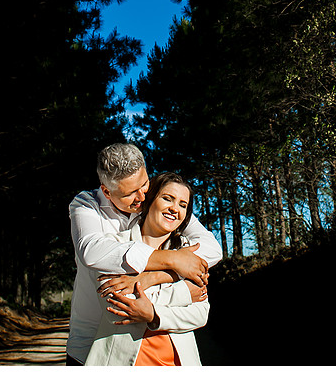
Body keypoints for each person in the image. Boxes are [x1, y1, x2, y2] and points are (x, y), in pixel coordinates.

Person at [66, 143, 221, 365]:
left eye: (145, 184)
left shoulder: (160, 202)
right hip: (93, 343)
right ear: (107, 192)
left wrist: (154, 277)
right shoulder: (87, 206)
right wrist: (177, 269)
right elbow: (91, 252)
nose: (142, 197)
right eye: (130, 193)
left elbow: (212, 249)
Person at [85, 172, 209, 365]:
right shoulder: (114, 245)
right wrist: (184, 293)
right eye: (168, 198)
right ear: (149, 200)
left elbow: (200, 313)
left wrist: (152, 314)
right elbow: (115, 308)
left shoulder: (188, 254)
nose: (174, 209)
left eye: (183, 205)